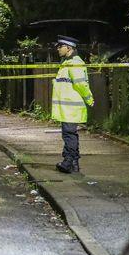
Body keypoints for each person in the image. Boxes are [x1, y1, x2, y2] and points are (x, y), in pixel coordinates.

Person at [51, 35, 95, 173]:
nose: (58, 49)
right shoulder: (66, 63)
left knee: (69, 134)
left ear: (69, 48)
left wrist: (89, 99)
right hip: (67, 107)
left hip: (71, 107)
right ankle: (73, 164)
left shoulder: (75, 63)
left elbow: (81, 84)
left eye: (60, 46)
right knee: (69, 134)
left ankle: (68, 162)